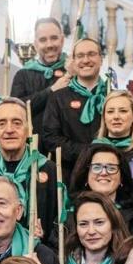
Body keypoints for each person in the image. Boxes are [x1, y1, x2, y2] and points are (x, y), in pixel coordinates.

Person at [0, 98, 58, 247]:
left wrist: (44, 238)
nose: (9, 130)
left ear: (28, 129)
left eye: (17, 123)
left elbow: (58, 221)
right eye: (2, 123)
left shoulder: (47, 168)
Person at [41, 38, 106, 178]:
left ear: (101, 59)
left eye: (91, 54)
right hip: (69, 174)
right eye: (80, 56)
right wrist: (88, 152)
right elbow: (50, 138)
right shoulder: (58, 98)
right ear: (73, 62)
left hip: (106, 171)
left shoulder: (112, 96)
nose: (86, 60)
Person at [94, 90, 133, 217]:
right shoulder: (93, 150)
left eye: (123, 111)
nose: (116, 116)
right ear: (104, 118)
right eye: (110, 111)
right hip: (101, 217)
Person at [68, 144, 133, 235]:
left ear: (121, 177)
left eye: (111, 168)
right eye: (96, 167)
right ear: (85, 175)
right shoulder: (69, 219)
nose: (104, 173)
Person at [10, 17, 68, 131]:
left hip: (66, 143)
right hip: (33, 144)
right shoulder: (23, 74)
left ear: (62, 40)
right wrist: (50, 91)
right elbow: (15, 109)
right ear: (36, 44)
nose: (49, 45)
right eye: (43, 40)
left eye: (54, 38)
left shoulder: (72, 71)